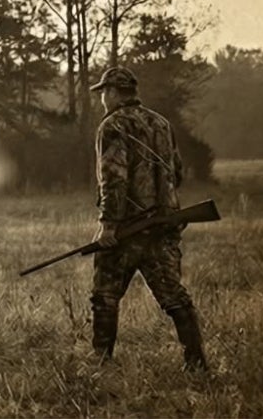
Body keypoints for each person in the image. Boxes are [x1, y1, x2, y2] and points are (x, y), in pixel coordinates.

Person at [89, 64, 208, 371]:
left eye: (103, 92)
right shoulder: (161, 123)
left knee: (105, 295)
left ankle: (101, 364)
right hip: (164, 225)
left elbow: (113, 178)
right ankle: (195, 363)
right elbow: (177, 171)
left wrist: (108, 225)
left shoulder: (112, 126)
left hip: (129, 229)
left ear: (113, 93)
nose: (103, 98)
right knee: (174, 297)